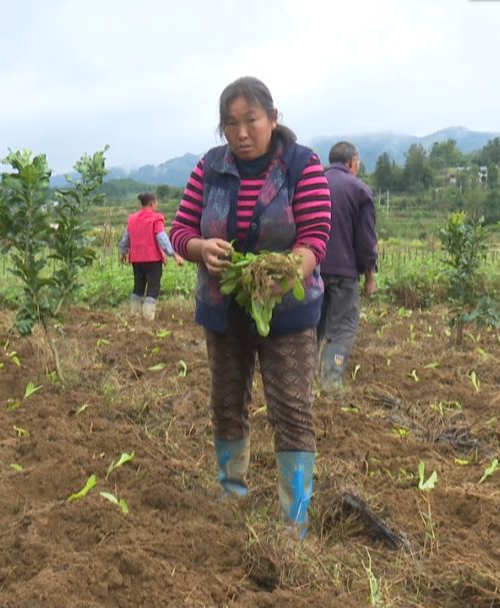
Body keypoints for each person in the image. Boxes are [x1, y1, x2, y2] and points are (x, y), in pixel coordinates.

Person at [169, 76, 332, 538]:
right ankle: (231, 494)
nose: (241, 133)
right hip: (225, 309)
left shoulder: (302, 164)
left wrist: (287, 269)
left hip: (287, 313)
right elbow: (181, 230)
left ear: (273, 119)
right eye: (231, 124)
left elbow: (317, 234)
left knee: (292, 409)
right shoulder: (210, 167)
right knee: (226, 402)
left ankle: (294, 517)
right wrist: (201, 248)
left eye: (251, 121)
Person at [317, 141, 377, 392]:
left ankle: (304, 381)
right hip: (344, 273)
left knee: (313, 325)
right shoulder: (359, 190)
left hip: (312, 269)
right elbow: (365, 239)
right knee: (343, 327)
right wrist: (370, 275)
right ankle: (330, 383)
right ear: (352, 162)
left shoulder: (313, 184)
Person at [118, 192, 185, 320]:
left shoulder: (132, 218)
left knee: (138, 286)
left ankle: (134, 314)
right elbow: (162, 237)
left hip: (136, 260)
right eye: (156, 202)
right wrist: (174, 254)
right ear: (152, 203)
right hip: (153, 260)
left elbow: (126, 238)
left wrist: (123, 252)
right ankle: (148, 316)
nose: (157, 205)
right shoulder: (156, 218)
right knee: (153, 288)